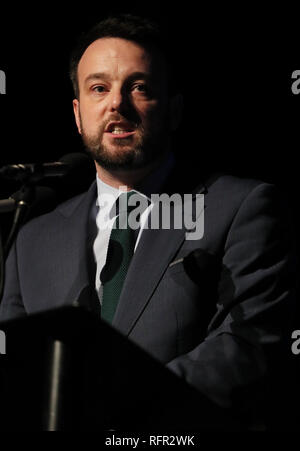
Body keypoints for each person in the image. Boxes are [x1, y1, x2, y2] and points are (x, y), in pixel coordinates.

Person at [0, 14, 297, 429]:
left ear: (174, 110)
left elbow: (251, 344)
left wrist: (118, 409)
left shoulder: (240, 207)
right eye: (98, 89)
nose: (116, 104)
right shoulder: (32, 237)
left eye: (138, 87)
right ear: (78, 113)